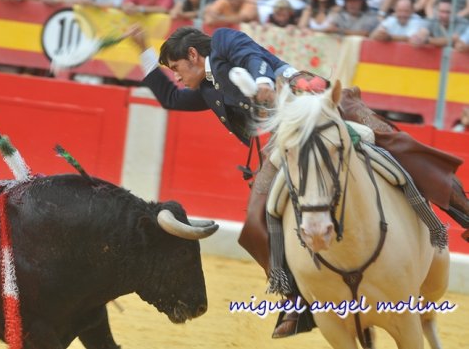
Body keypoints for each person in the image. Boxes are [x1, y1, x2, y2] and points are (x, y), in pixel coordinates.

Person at [126, 24, 469, 338]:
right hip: (285, 140)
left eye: (176, 69)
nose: (178, 78)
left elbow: (252, 56)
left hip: (313, 102)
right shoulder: (207, 91)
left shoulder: (222, 41)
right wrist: (143, 50)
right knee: (254, 224)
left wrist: (262, 84)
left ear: (192, 55)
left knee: (390, 141)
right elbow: (169, 99)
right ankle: (295, 296)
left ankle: (460, 207)